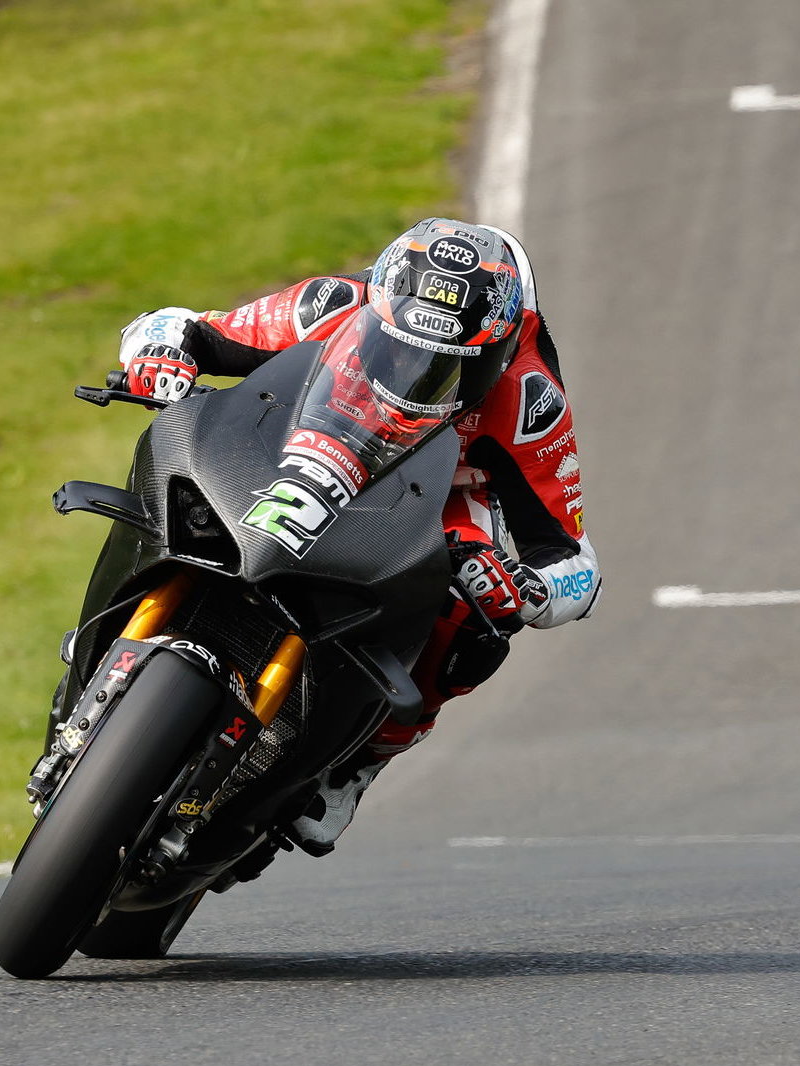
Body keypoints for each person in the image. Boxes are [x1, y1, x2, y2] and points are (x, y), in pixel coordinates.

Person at [115, 217, 601, 853]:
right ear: (378, 305)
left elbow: (575, 559)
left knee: (477, 619)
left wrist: (530, 589)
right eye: (400, 348)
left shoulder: (530, 399)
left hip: (436, 498)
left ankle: (358, 764)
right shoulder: (331, 303)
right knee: (178, 451)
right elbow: (185, 327)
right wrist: (161, 355)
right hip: (304, 442)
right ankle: (120, 617)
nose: (418, 373)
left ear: (500, 349)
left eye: (448, 365)